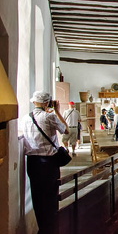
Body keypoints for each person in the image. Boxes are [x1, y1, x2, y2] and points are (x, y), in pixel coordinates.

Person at [20, 91, 69, 234]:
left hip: (32, 162)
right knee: (50, 198)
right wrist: (58, 111)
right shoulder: (50, 116)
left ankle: (42, 228)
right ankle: (51, 229)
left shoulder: (26, 118)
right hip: (48, 162)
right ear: (47, 103)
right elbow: (66, 130)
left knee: (37, 197)